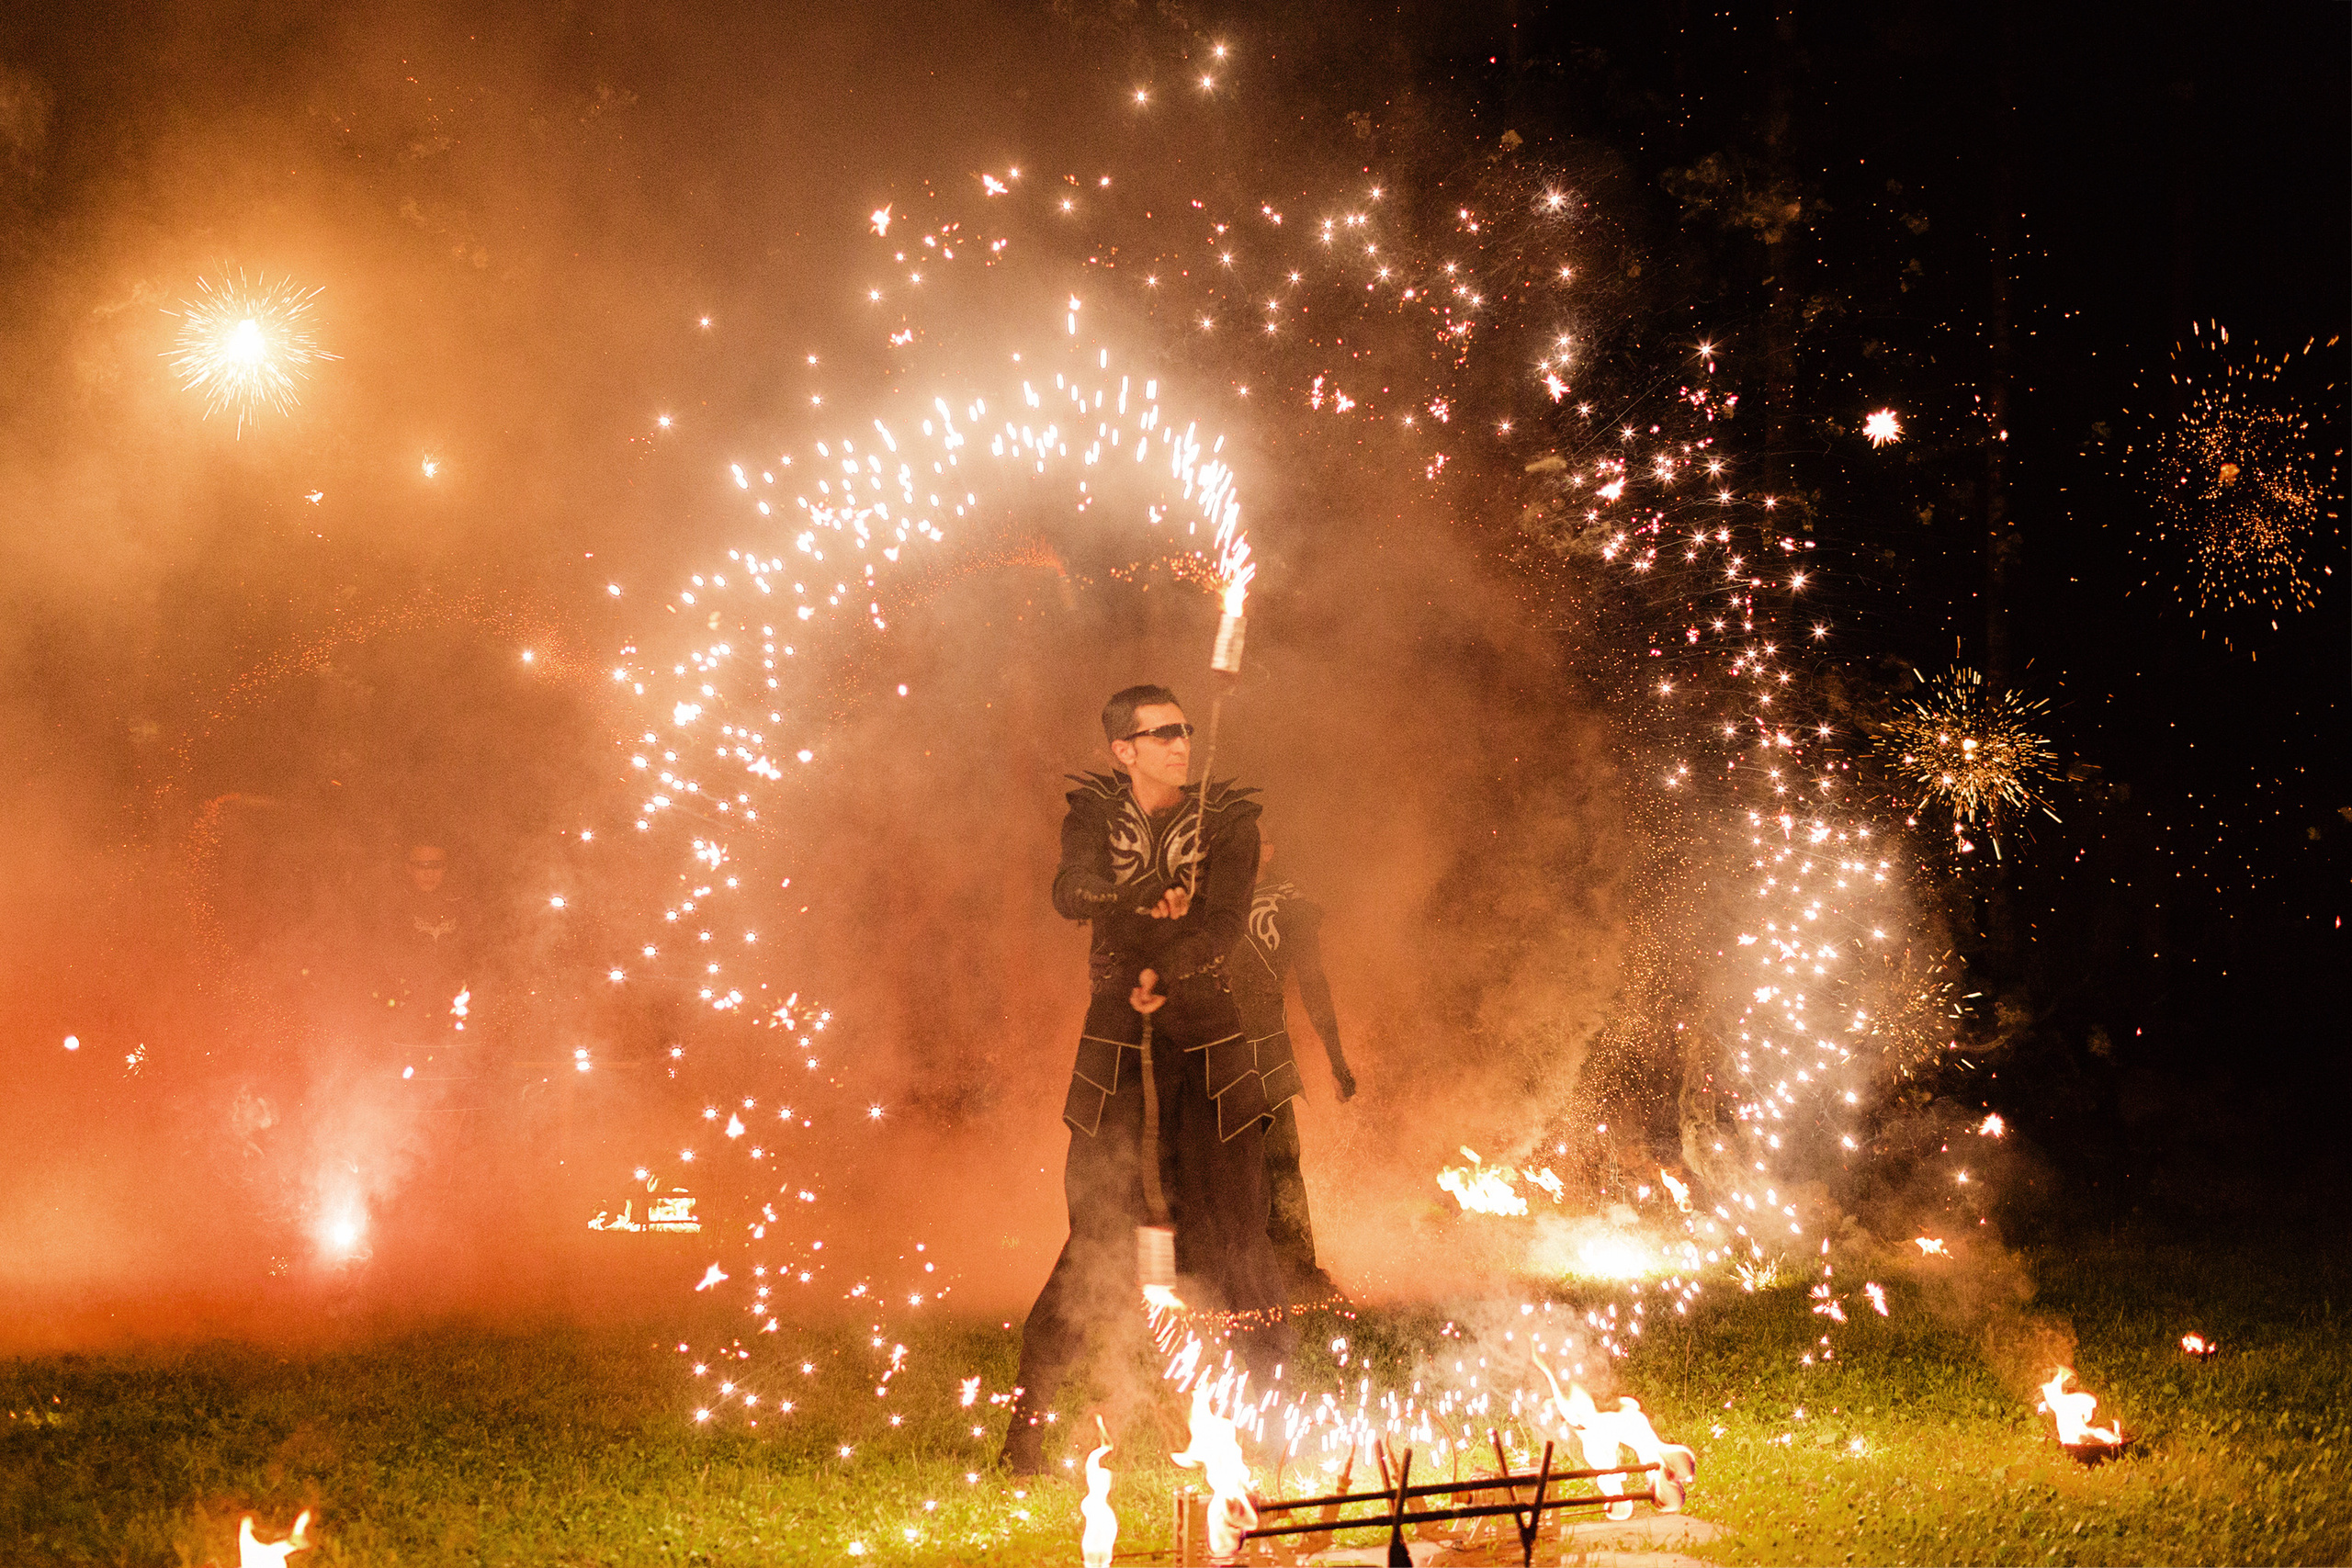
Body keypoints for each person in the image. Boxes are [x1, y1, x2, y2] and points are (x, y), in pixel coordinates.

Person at [1001, 684, 1295, 1474]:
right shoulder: (1094, 815)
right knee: (1096, 1234)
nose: (1180, 742)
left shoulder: (1231, 819)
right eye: (1160, 733)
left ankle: (1270, 1442)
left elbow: (1226, 924)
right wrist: (1138, 898)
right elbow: (1073, 890)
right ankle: (1025, 1446)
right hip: (1116, 1044)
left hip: (1206, 1044)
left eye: (1185, 729)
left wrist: (1167, 963)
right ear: (1122, 750)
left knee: (1235, 1244)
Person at [1231, 839, 1358, 1301]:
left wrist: (1336, 1057)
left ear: (1269, 847)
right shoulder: (1196, 898)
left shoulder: (1289, 903)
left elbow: (1313, 982)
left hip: (1266, 1053)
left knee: (1281, 1165)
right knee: (1209, 1169)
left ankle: (1298, 1274)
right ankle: (1216, 1279)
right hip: (1203, 1049)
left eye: (1256, 836)